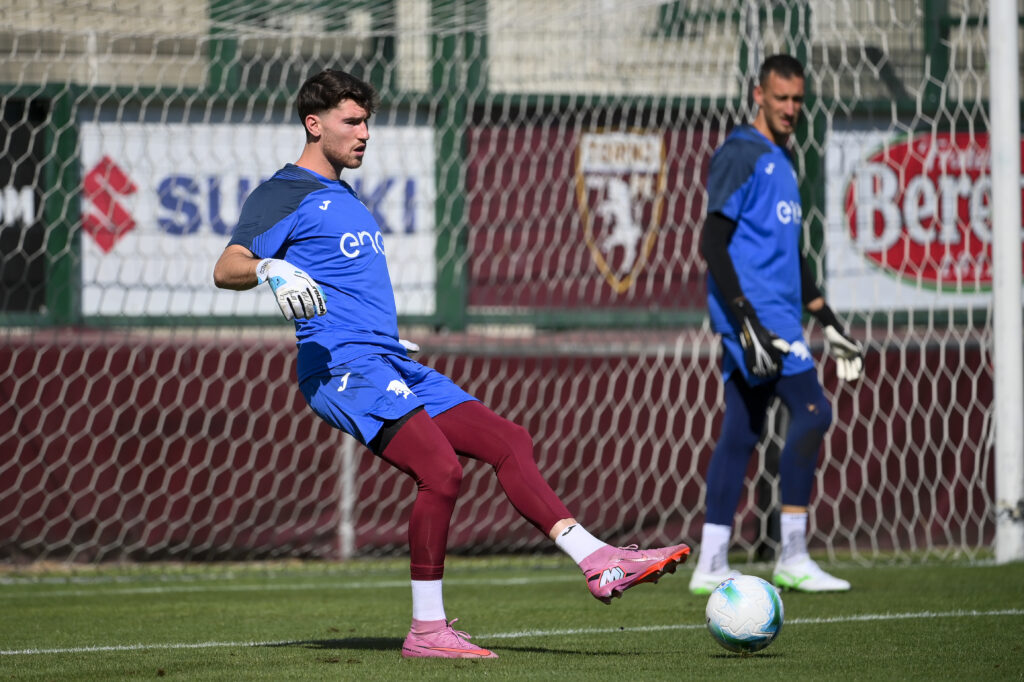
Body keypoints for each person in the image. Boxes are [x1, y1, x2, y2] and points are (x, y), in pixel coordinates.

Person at [213, 69, 690, 659]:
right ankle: (427, 630)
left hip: (385, 357)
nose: (365, 133)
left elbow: (344, 284)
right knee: (441, 470)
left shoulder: (346, 196)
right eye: (351, 122)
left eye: (367, 122)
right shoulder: (282, 192)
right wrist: (268, 268)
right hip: (341, 366)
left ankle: (598, 559)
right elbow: (226, 266)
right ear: (314, 125)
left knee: (508, 440)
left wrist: (381, 334)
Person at [688, 54, 863, 595]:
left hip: (778, 316)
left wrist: (827, 318)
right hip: (759, 320)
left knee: (741, 429)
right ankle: (792, 554)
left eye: (797, 100)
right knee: (813, 411)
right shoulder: (741, 153)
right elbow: (712, 240)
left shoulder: (784, 159)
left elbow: (791, 256)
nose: (790, 109)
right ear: (758, 95)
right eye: (781, 98)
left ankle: (711, 561)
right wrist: (744, 317)